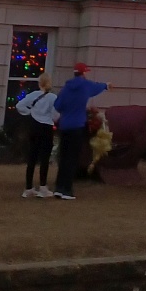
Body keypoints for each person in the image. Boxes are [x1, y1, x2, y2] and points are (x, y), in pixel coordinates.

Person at [52, 62, 109, 200]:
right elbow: (97, 87)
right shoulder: (85, 85)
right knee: (72, 159)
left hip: (64, 126)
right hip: (77, 126)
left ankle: (59, 187)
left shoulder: (66, 88)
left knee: (64, 157)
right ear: (83, 73)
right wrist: (107, 85)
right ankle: (67, 189)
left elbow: (57, 106)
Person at [15, 71, 57, 198]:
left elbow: (19, 105)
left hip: (34, 126)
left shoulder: (33, 95)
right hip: (47, 127)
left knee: (32, 157)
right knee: (44, 158)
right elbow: (56, 114)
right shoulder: (53, 98)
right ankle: (43, 187)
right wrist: (51, 119)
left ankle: (28, 187)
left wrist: (29, 112)